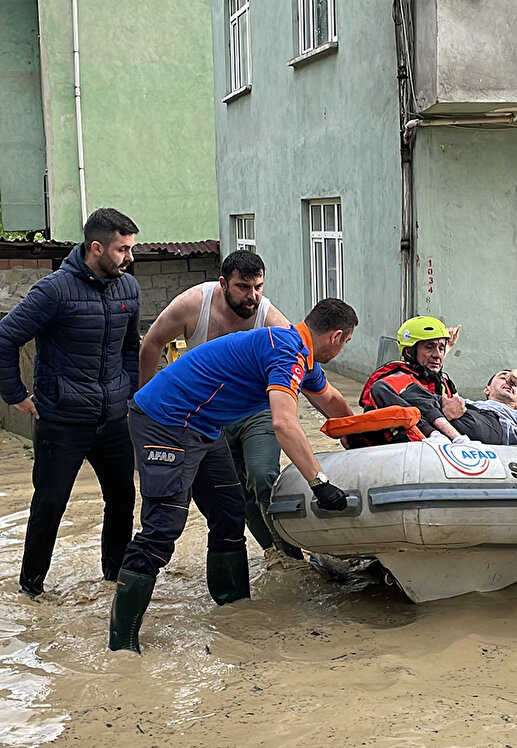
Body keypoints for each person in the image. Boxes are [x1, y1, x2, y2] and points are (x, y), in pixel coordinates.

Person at [109, 298, 357, 653]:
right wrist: (320, 483)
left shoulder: (300, 350)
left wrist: (361, 438)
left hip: (204, 426)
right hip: (166, 422)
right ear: (336, 337)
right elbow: (284, 423)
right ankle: (122, 644)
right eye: (346, 342)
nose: (343, 348)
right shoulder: (286, 353)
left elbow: (331, 400)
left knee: (229, 515)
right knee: (162, 530)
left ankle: (235, 611)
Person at [0, 208, 141, 598]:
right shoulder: (54, 291)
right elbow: (4, 338)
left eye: (131, 248)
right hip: (61, 421)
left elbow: (131, 346)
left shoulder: (128, 287)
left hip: (113, 418)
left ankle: (114, 582)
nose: (129, 257)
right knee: (49, 504)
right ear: (96, 248)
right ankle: (31, 592)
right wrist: (16, 396)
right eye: (121, 249)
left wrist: (129, 392)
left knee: (122, 501)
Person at [138, 249, 299, 565]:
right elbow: (152, 342)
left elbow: (296, 369)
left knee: (262, 475)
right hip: (209, 415)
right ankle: (277, 557)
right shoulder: (193, 305)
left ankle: (292, 552)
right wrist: (144, 404)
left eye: (258, 287)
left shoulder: (271, 319)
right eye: (242, 287)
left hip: (256, 412)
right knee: (235, 495)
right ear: (223, 283)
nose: (251, 296)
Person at [357, 316, 504, 445]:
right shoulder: (396, 379)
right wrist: (441, 409)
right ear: (409, 352)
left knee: (485, 415)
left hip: (476, 430)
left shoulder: (441, 381)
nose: (438, 355)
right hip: (421, 437)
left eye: (441, 348)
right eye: (429, 347)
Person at [443, 368, 517, 445]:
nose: (509, 383)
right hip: (470, 420)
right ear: (487, 390)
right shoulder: (471, 404)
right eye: (503, 378)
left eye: (515, 383)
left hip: (494, 433)